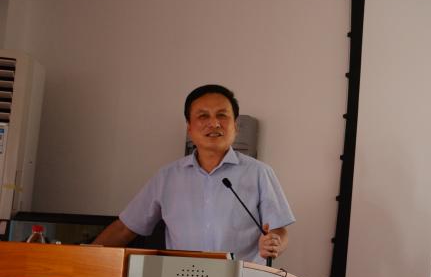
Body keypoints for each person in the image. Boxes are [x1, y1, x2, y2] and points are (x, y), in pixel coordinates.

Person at [93, 84, 293, 264]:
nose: (214, 123)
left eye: (222, 115)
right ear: (189, 127)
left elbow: (278, 230)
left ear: (235, 126)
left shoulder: (259, 173)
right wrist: (85, 256)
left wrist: (275, 243)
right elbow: (125, 228)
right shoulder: (167, 177)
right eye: (203, 116)